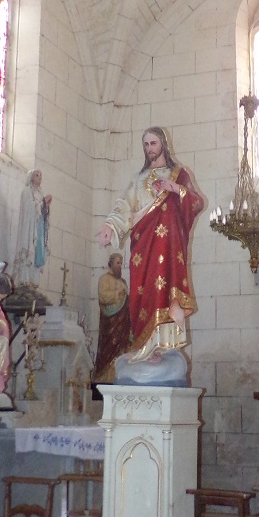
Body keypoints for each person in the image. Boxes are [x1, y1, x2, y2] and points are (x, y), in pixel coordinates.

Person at [97, 127, 203, 363]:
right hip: (143, 246)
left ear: (163, 144)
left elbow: (197, 202)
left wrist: (174, 188)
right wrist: (110, 227)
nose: (150, 149)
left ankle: (165, 346)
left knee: (166, 290)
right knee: (142, 292)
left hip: (169, 245)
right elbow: (123, 206)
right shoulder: (138, 179)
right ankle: (145, 345)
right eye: (146, 144)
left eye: (153, 143)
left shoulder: (179, 173)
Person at [94, 252, 132, 382]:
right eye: (118, 263)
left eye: (121, 263)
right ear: (111, 263)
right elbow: (102, 296)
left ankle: (120, 374)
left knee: (123, 345)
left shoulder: (123, 281)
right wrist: (118, 295)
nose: (120, 266)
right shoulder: (104, 279)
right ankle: (105, 377)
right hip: (110, 320)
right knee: (109, 347)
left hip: (123, 320)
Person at [13, 168, 52, 287]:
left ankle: (34, 282)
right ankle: (24, 281)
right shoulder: (26, 191)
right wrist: (41, 203)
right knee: (29, 252)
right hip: (29, 229)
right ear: (31, 177)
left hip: (39, 228)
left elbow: (43, 213)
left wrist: (46, 206)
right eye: (37, 175)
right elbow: (28, 209)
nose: (39, 177)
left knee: (38, 252)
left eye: (41, 175)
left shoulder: (40, 193)